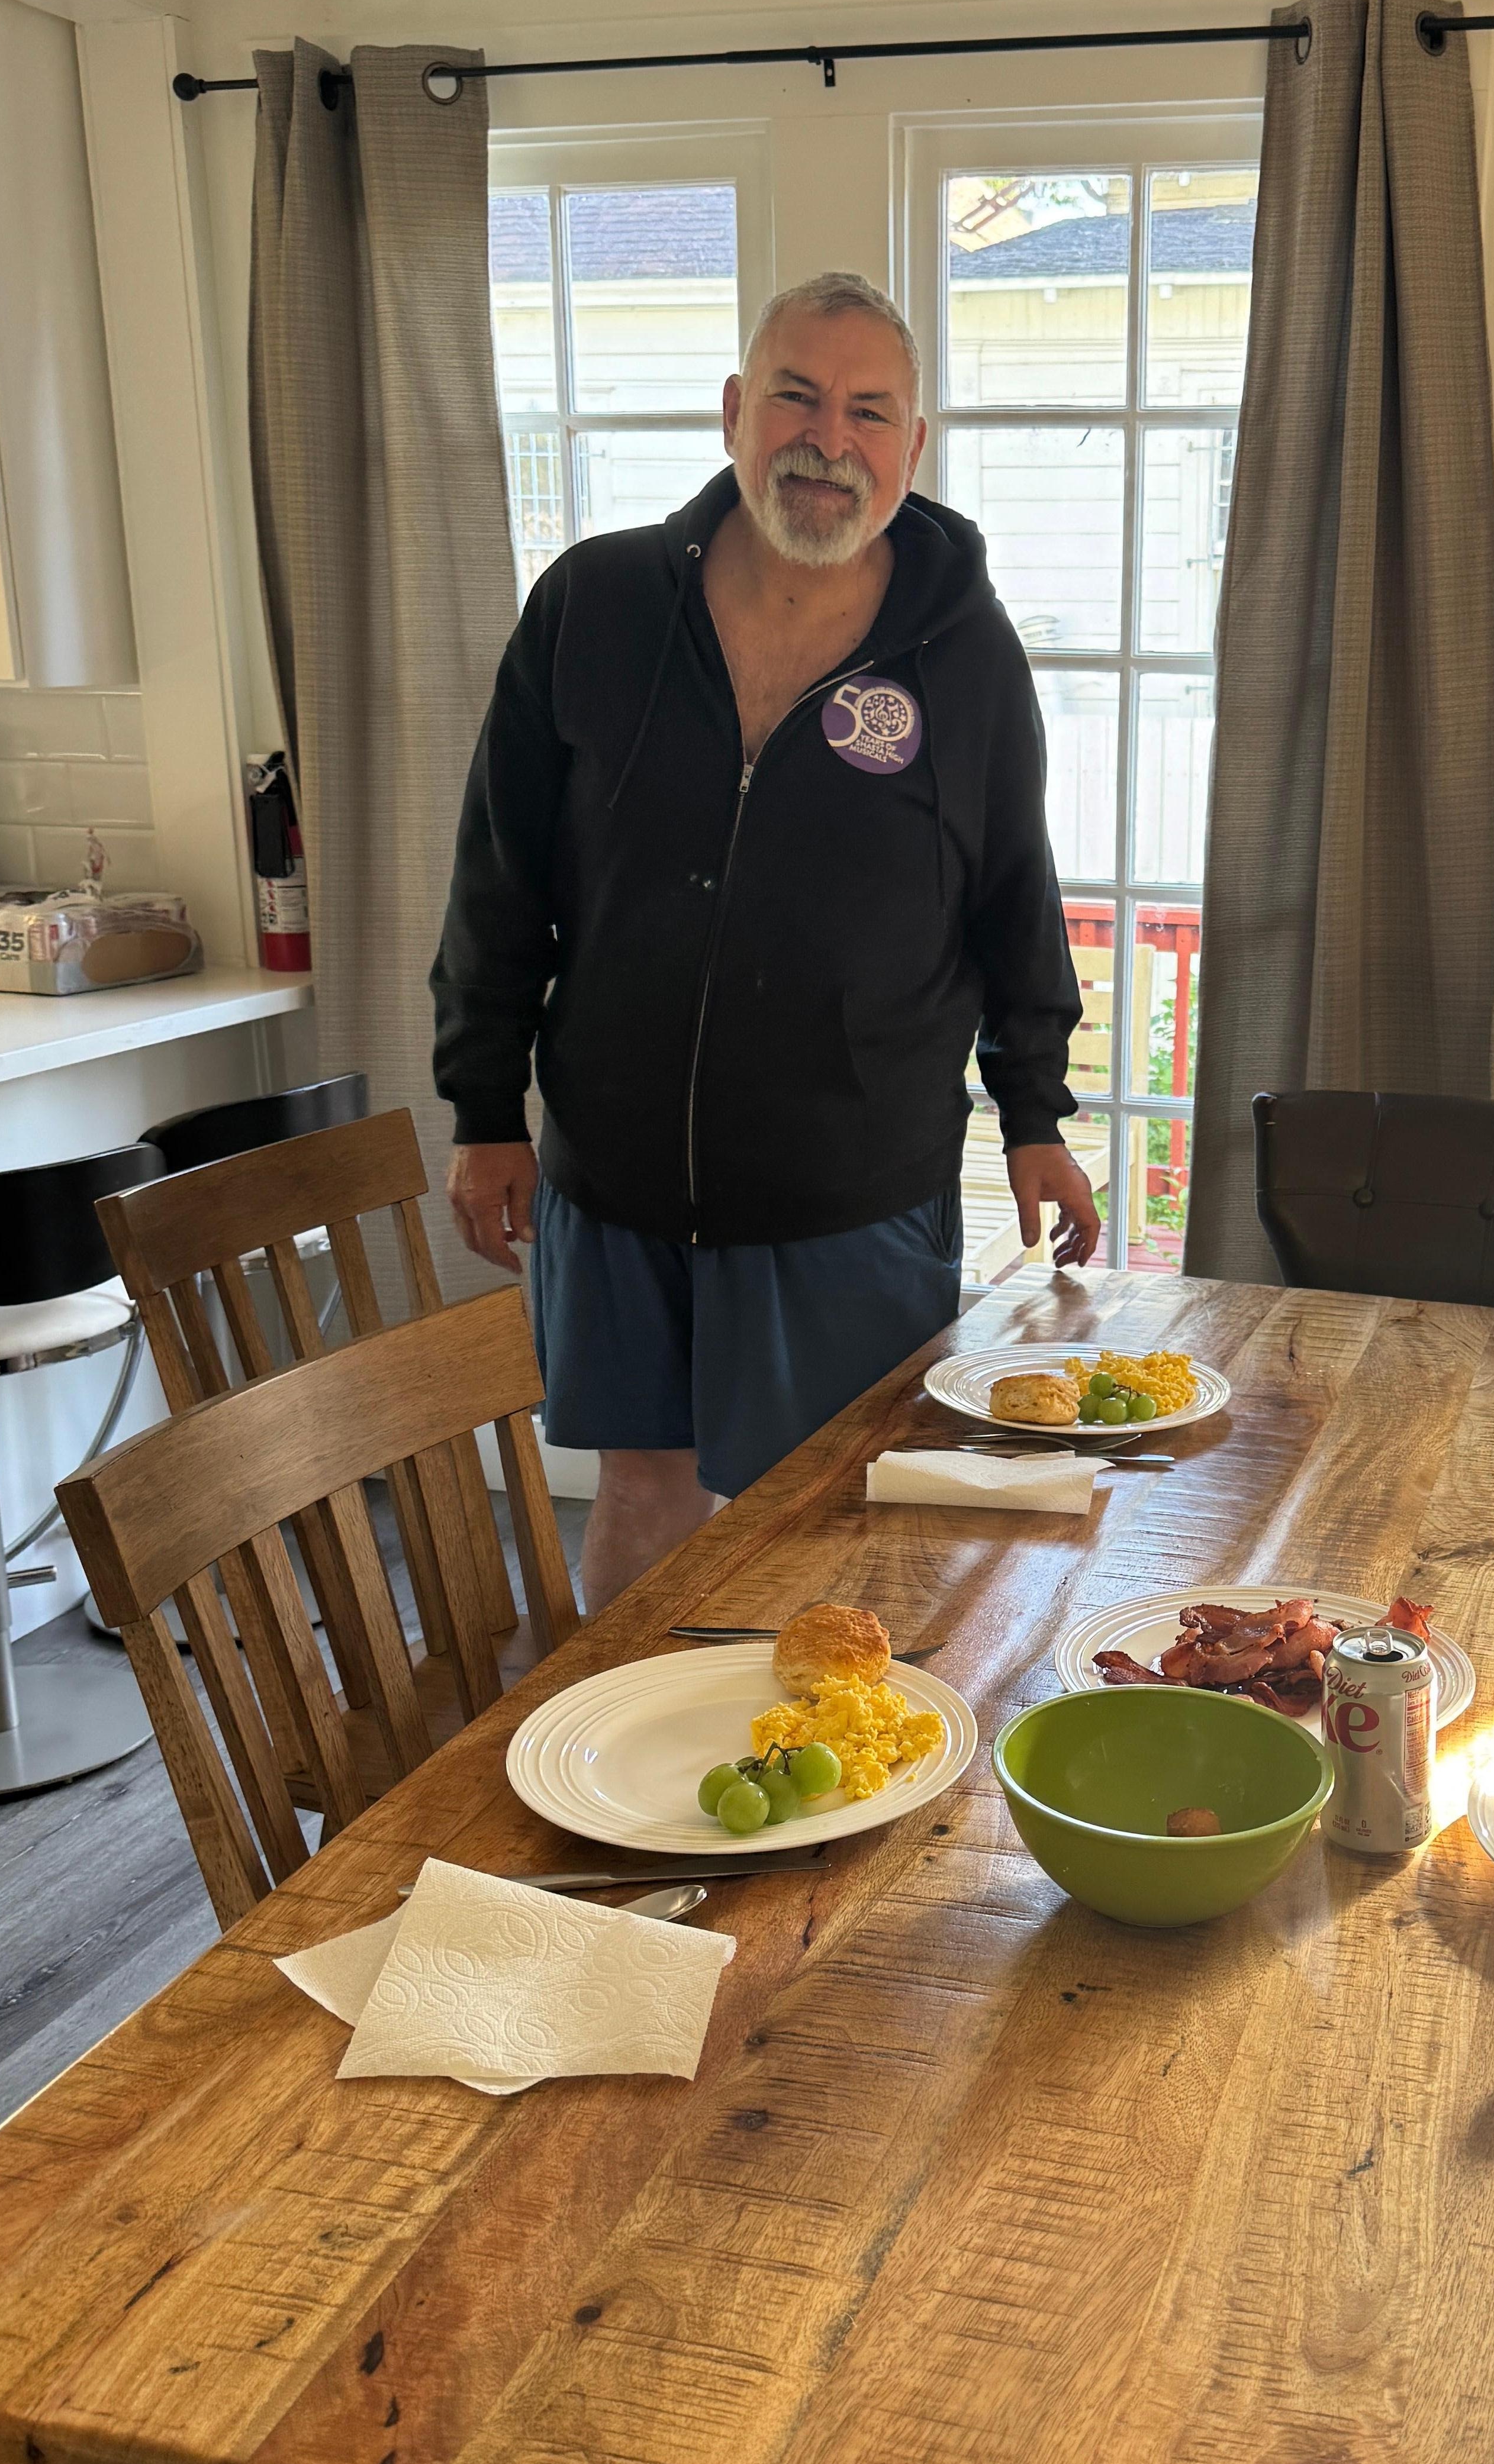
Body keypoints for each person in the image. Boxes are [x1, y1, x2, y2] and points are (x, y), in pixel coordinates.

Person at [433, 269, 1098, 1612]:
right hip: (613, 1175)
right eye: (795, 396)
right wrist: (482, 1107)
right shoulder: (594, 607)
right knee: (641, 1490)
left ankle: (843, 1790)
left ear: (915, 445)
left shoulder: (964, 652)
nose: (827, 438)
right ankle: (629, 1793)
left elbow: (1012, 893)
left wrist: (1036, 1111)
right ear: (736, 411)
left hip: (848, 1188)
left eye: (868, 411)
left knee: (844, 1510)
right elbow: (500, 878)